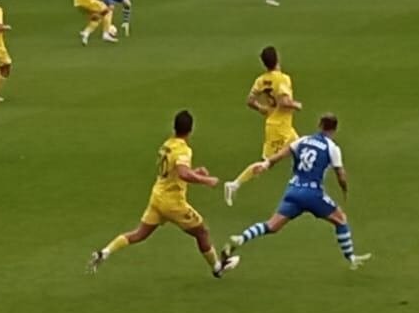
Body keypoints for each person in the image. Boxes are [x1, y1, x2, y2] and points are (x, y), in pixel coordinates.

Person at [87, 109, 238, 277]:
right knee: (202, 232)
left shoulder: (167, 145)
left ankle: (104, 252)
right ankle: (217, 268)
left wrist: (195, 172)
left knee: (139, 234)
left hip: (157, 197)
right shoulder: (184, 150)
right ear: (191, 130)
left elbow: (173, 172)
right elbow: (183, 173)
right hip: (173, 203)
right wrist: (206, 180)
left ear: (174, 127)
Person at [224, 113, 369, 267]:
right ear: (335, 130)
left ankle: (241, 238)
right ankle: (351, 258)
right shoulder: (332, 148)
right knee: (341, 220)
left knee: (272, 225)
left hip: (293, 190)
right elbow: (340, 174)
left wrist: (267, 164)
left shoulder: (303, 140)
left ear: (319, 125)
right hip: (313, 194)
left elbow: (281, 154)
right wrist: (344, 189)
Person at [226, 45, 301, 199]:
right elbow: (284, 101)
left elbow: (250, 100)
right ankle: (234, 184)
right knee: (267, 163)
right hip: (279, 128)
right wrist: (296, 105)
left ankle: (301, 183)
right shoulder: (282, 78)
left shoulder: (261, 80)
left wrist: (262, 109)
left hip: (278, 124)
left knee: (301, 148)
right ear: (277, 58)